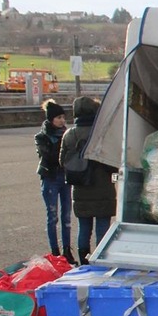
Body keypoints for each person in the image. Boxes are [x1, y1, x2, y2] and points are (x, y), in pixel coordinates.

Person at [60, 96, 116, 265]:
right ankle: (101, 258)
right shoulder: (102, 133)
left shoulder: (69, 134)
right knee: (102, 227)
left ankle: (83, 259)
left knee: (84, 227)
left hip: (80, 187)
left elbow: (62, 161)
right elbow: (113, 161)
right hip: (102, 186)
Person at [35, 99, 74, 264]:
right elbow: (48, 157)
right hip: (50, 177)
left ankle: (66, 250)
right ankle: (55, 252)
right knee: (52, 216)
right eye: (58, 117)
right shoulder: (42, 137)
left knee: (66, 216)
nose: (62, 121)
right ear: (51, 119)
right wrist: (61, 149)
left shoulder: (67, 134)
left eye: (63, 117)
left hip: (65, 177)